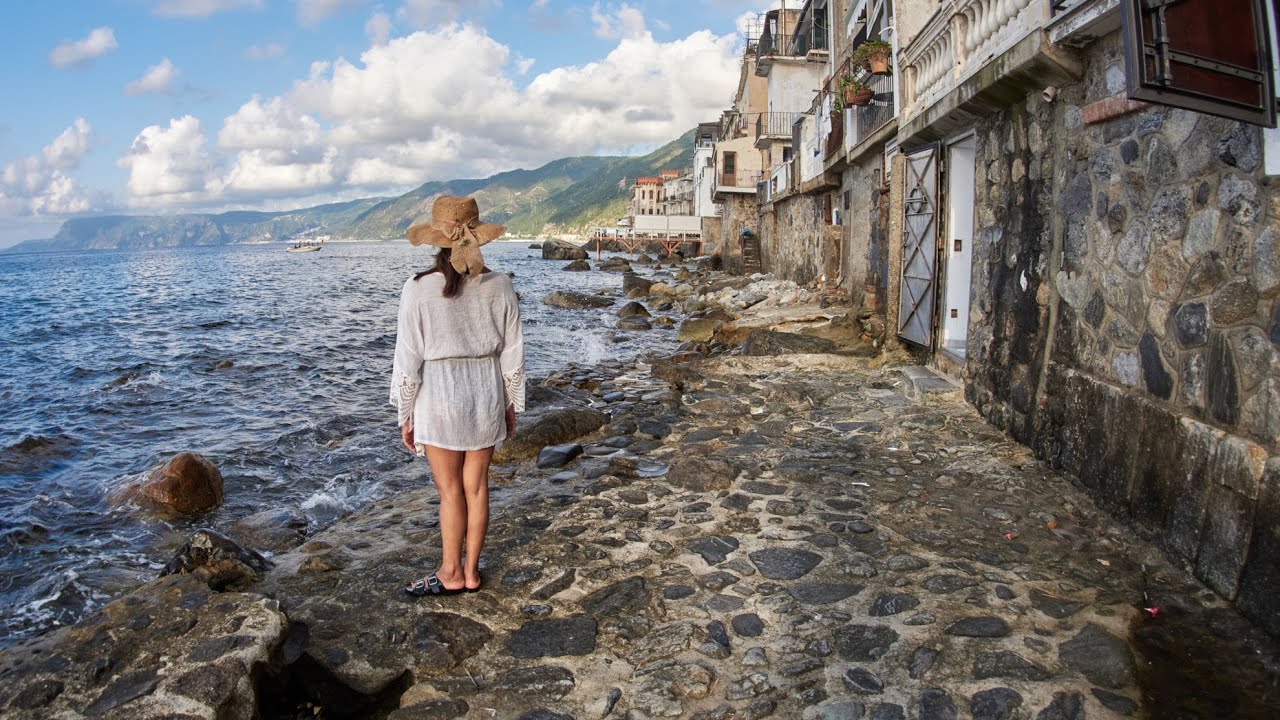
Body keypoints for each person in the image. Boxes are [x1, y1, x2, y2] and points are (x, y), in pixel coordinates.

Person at [390, 195, 525, 596]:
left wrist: (406, 413)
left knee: (449, 492)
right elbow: (513, 352)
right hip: (484, 390)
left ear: (437, 241)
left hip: (440, 394)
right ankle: (471, 572)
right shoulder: (499, 286)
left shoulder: (417, 289)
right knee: (478, 487)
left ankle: (450, 572)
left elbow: (407, 357)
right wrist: (509, 402)